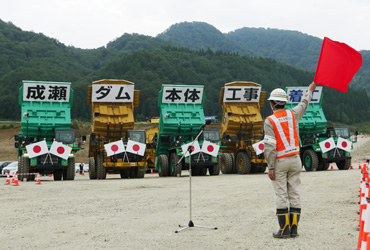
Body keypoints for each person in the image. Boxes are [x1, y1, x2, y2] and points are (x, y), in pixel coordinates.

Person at [263, 82, 316, 238]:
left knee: (281, 194)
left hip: (280, 161)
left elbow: (270, 146)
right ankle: (294, 229)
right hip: (295, 159)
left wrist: (270, 167)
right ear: (284, 102)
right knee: (295, 193)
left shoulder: (270, 121)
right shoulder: (293, 114)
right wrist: (310, 91)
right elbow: (304, 104)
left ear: (272, 103)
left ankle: (284, 229)